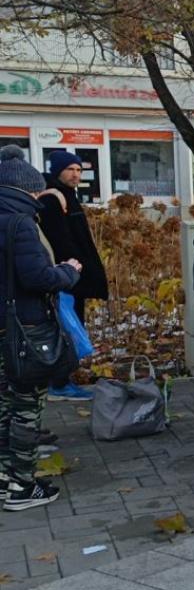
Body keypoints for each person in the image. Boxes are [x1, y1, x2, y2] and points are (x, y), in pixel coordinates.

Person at [0, 146, 81, 511]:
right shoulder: (20, 224)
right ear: (25, 191)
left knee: (4, 404)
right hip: (24, 330)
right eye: (35, 193)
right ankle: (21, 485)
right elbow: (37, 277)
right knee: (26, 406)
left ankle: (4, 477)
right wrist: (68, 272)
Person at [35, 150, 107, 402]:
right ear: (58, 171)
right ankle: (60, 383)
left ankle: (63, 380)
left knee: (72, 326)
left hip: (74, 274)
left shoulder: (67, 196)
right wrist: (72, 271)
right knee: (67, 328)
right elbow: (61, 241)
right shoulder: (54, 199)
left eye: (79, 170)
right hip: (67, 276)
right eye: (70, 170)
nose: (76, 174)